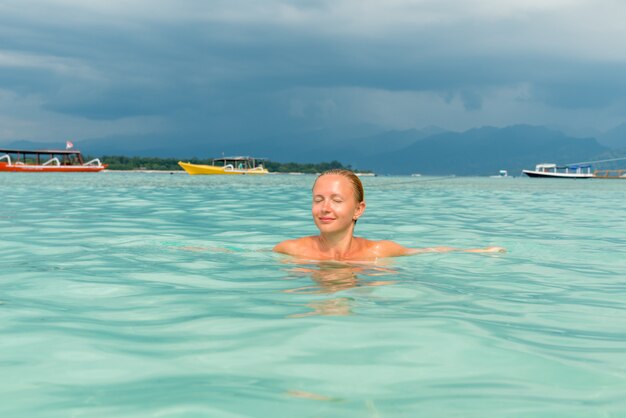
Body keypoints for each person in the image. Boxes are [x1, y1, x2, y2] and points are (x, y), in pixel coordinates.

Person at [273, 169, 505, 261]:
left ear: (358, 209)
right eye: (318, 200)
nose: (325, 208)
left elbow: (429, 250)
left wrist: (481, 251)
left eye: (336, 200)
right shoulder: (292, 250)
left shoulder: (379, 251)